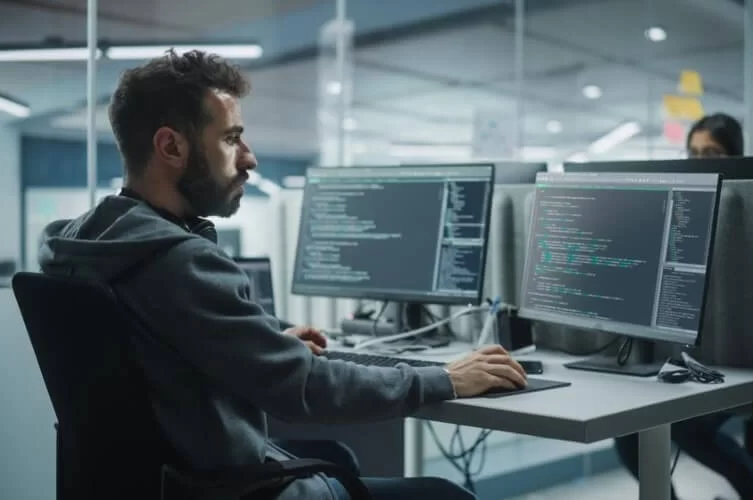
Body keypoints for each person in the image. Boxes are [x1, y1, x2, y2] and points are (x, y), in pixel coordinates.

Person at [37, 50, 529, 500]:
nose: (249, 157)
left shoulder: (81, 245)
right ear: (170, 146)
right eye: (231, 138)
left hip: (155, 483)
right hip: (225, 489)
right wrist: (444, 377)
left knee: (340, 459)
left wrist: (258, 342)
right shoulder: (177, 259)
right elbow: (305, 389)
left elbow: (157, 358)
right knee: (445, 495)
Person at [613, 112, 753, 500]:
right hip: (684, 354)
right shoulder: (677, 215)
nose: (700, 161)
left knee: (685, 424)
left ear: (735, 159)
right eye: (694, 152)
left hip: (739, 355)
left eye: (712, 153)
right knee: (625, 434)